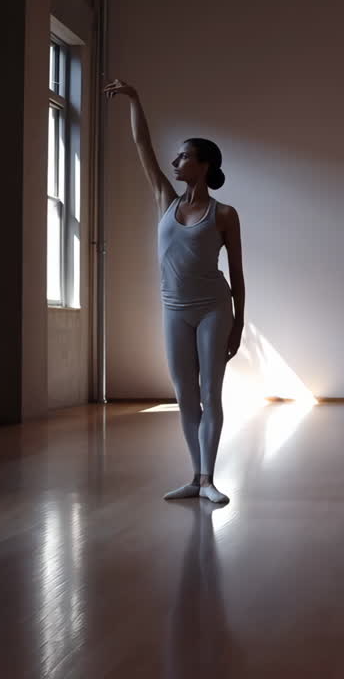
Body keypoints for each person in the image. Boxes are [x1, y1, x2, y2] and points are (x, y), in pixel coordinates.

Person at [105, 79, 245, 503]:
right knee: (185, 396)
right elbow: (142, 144)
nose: (175, 160)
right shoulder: (164, 197)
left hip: (214, 309)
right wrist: (135, 98)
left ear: (203, 164)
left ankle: (209, 480)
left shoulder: (224, 214)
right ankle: (195, 475)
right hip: (174, 309)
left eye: (184, 155)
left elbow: (237, 273)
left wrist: (239, 324)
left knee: (209, 393)